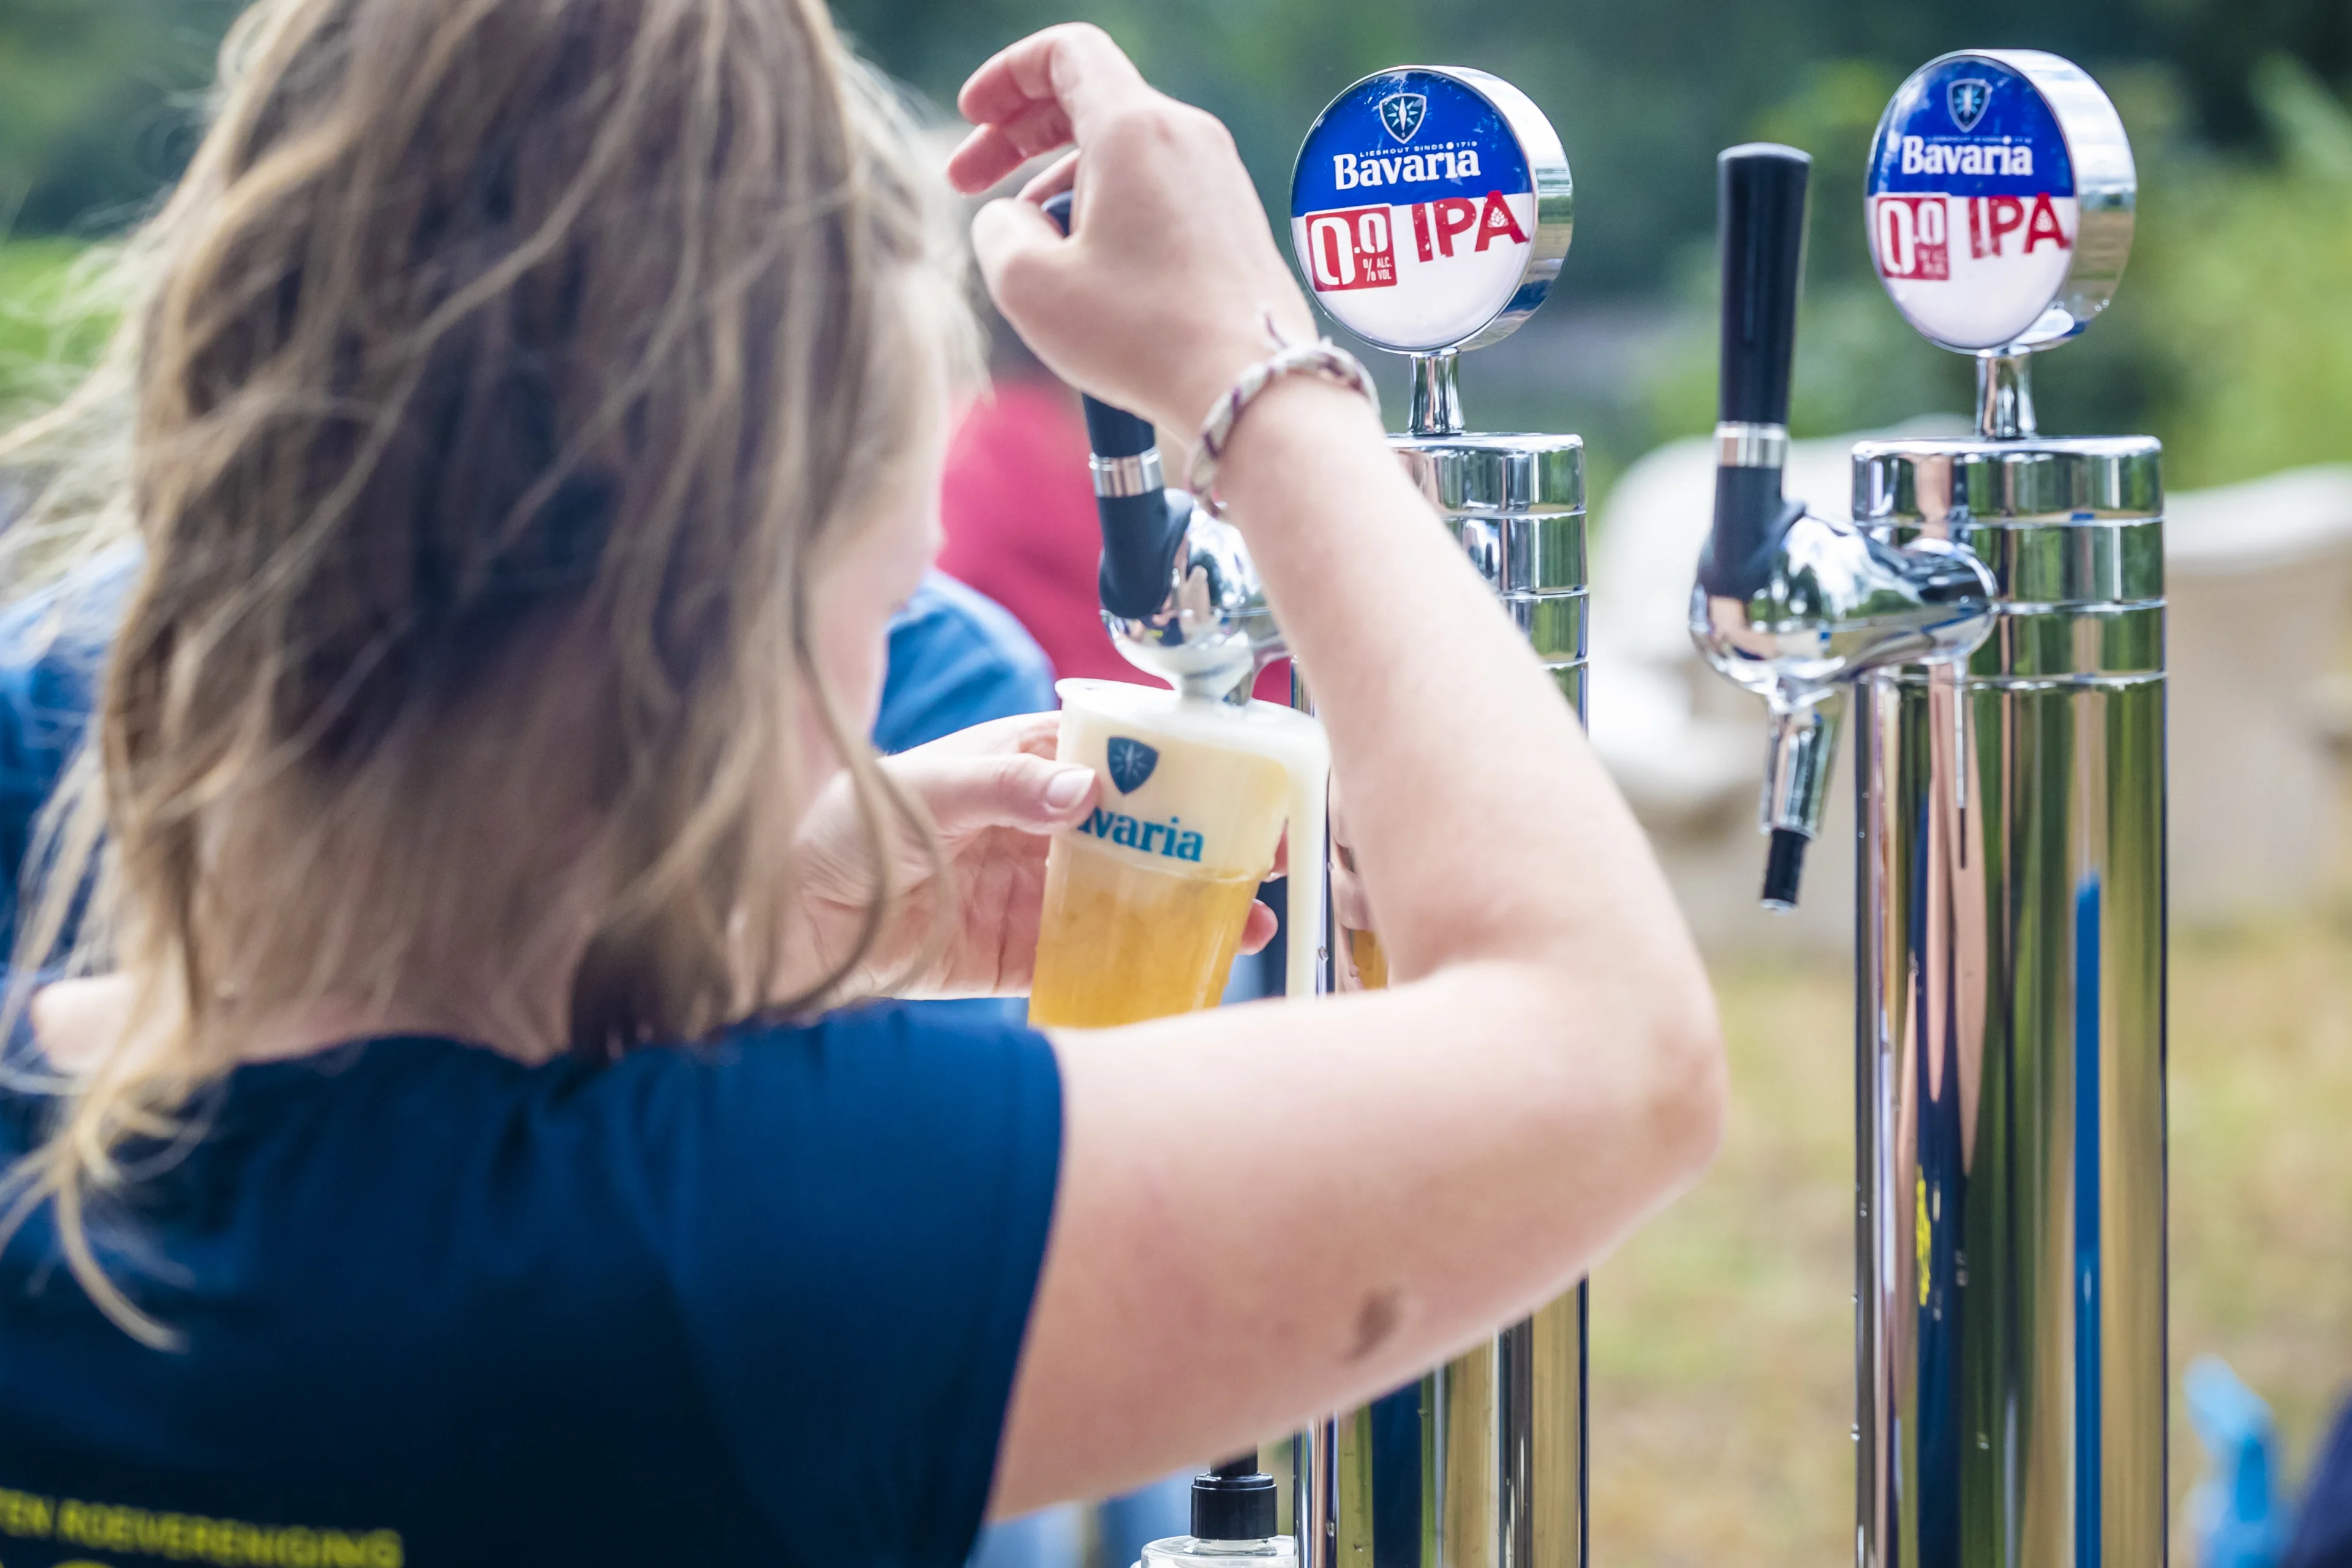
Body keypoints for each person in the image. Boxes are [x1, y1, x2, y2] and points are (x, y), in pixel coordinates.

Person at [0, 10, 1724, 1568]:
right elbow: (1616, 1050)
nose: (901, 643)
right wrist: (1257, 378)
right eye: (886, 591)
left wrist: (730, 931)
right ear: (720, 599)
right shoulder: (756, 1240)